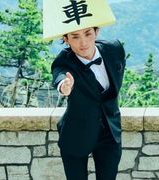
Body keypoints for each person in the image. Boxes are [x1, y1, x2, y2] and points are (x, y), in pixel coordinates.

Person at [52, 25, 126, 180]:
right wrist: (65, 86)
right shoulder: (63, 61)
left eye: (88, 34)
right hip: (76, 133)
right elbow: (59, 76)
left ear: (96, 32)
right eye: (75, 36)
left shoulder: (114, 49)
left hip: (110, 132)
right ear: (66, 39)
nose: (83, 42)